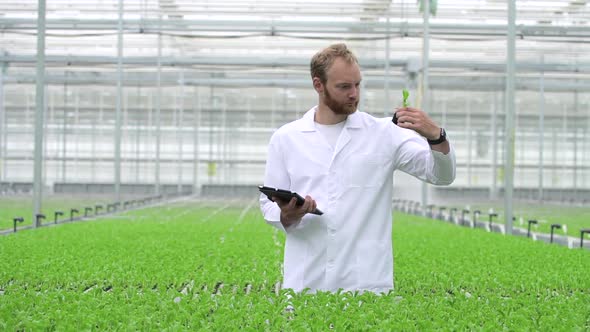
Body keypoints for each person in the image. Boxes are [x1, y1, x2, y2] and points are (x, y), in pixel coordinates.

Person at [259, 43, 455, 294]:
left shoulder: (385, 134)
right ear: (318, 85)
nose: (354, 94)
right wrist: (287, 215)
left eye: (357, 84)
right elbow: (267, 204)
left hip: (365, 283)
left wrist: (436, 137)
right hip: (305, 280)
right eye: (344, 87)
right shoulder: (286, 138)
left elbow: (441, 176)